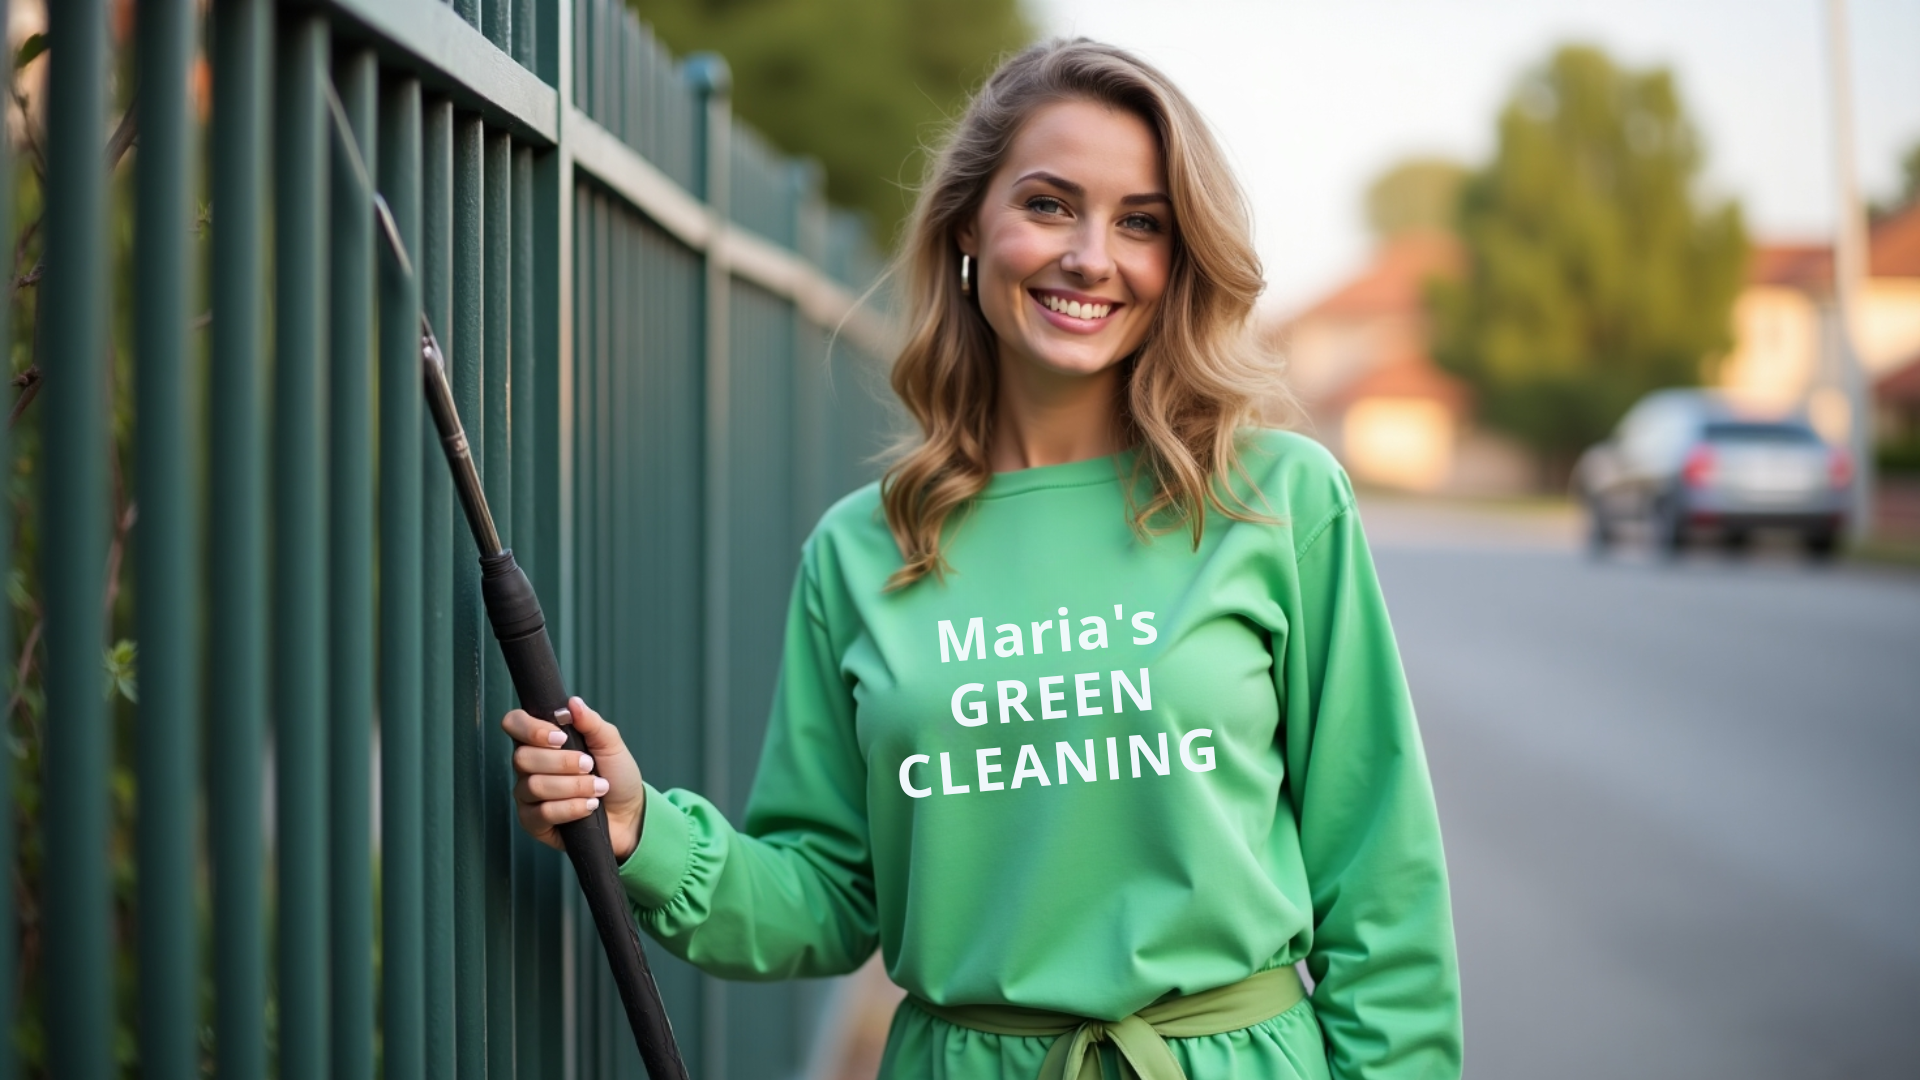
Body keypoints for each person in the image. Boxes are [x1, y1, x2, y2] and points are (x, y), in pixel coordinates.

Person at [503, 38, 1462, 1080]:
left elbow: (1382, 881)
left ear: (1178, 257)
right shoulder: (860, 552)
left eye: (1141, 222)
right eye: (1049, 205)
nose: (1092, 256)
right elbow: (829, 902)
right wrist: (648, 835)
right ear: (970, 224)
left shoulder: (1275, 501)